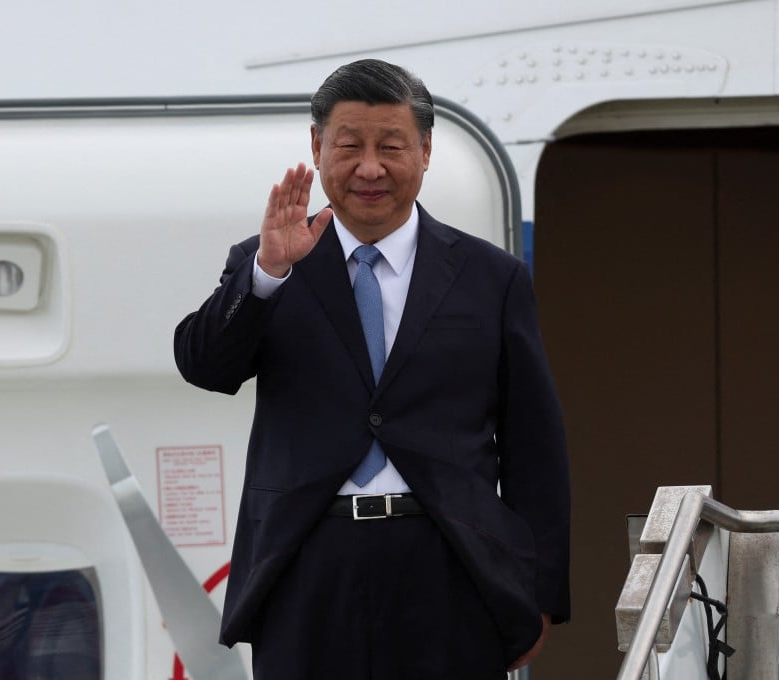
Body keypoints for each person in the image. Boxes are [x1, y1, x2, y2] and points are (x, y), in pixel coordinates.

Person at [174, 58, 569, 680]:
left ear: (426, 151)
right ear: (316, 146)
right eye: (349, 146)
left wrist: (542, 596)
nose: (369, 168)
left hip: (450, 562)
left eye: (391, 146)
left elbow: (535, 446)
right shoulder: (269, 261)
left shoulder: (491, 277)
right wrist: (267, 277)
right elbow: (203, 366)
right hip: (306, 563)